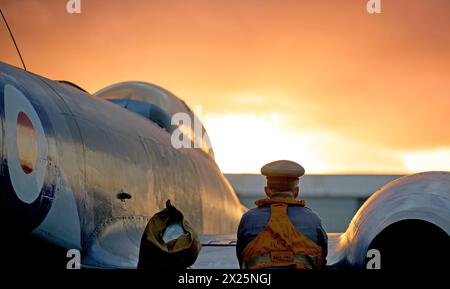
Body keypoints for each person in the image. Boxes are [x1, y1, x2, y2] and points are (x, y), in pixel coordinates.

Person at [236, 160, 328, 269]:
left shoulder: (248, 219)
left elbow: (241, 257)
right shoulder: (313, 219)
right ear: (296, 191)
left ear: (267, 191)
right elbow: (322, 258)